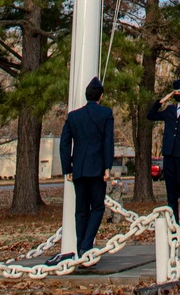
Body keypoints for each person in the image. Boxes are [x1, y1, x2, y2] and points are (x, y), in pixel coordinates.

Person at [59, 77, 114, 258]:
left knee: (81, 210)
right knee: (97, 208)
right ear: (101, 96)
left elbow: (65, 143)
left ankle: (82, 248)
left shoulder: (73, 116)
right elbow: (108, 141)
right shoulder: (106, 114)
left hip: (79, 169)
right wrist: (107, 167)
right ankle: (85, 245)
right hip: (97, 168)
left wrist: (67, 168)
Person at [147, 79, 180, 243]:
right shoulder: (169, 110)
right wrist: (162, 100)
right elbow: (151, 115)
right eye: (175, 92)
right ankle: (174, 230)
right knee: (171, 197)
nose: (178, 95)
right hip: (169, 156)